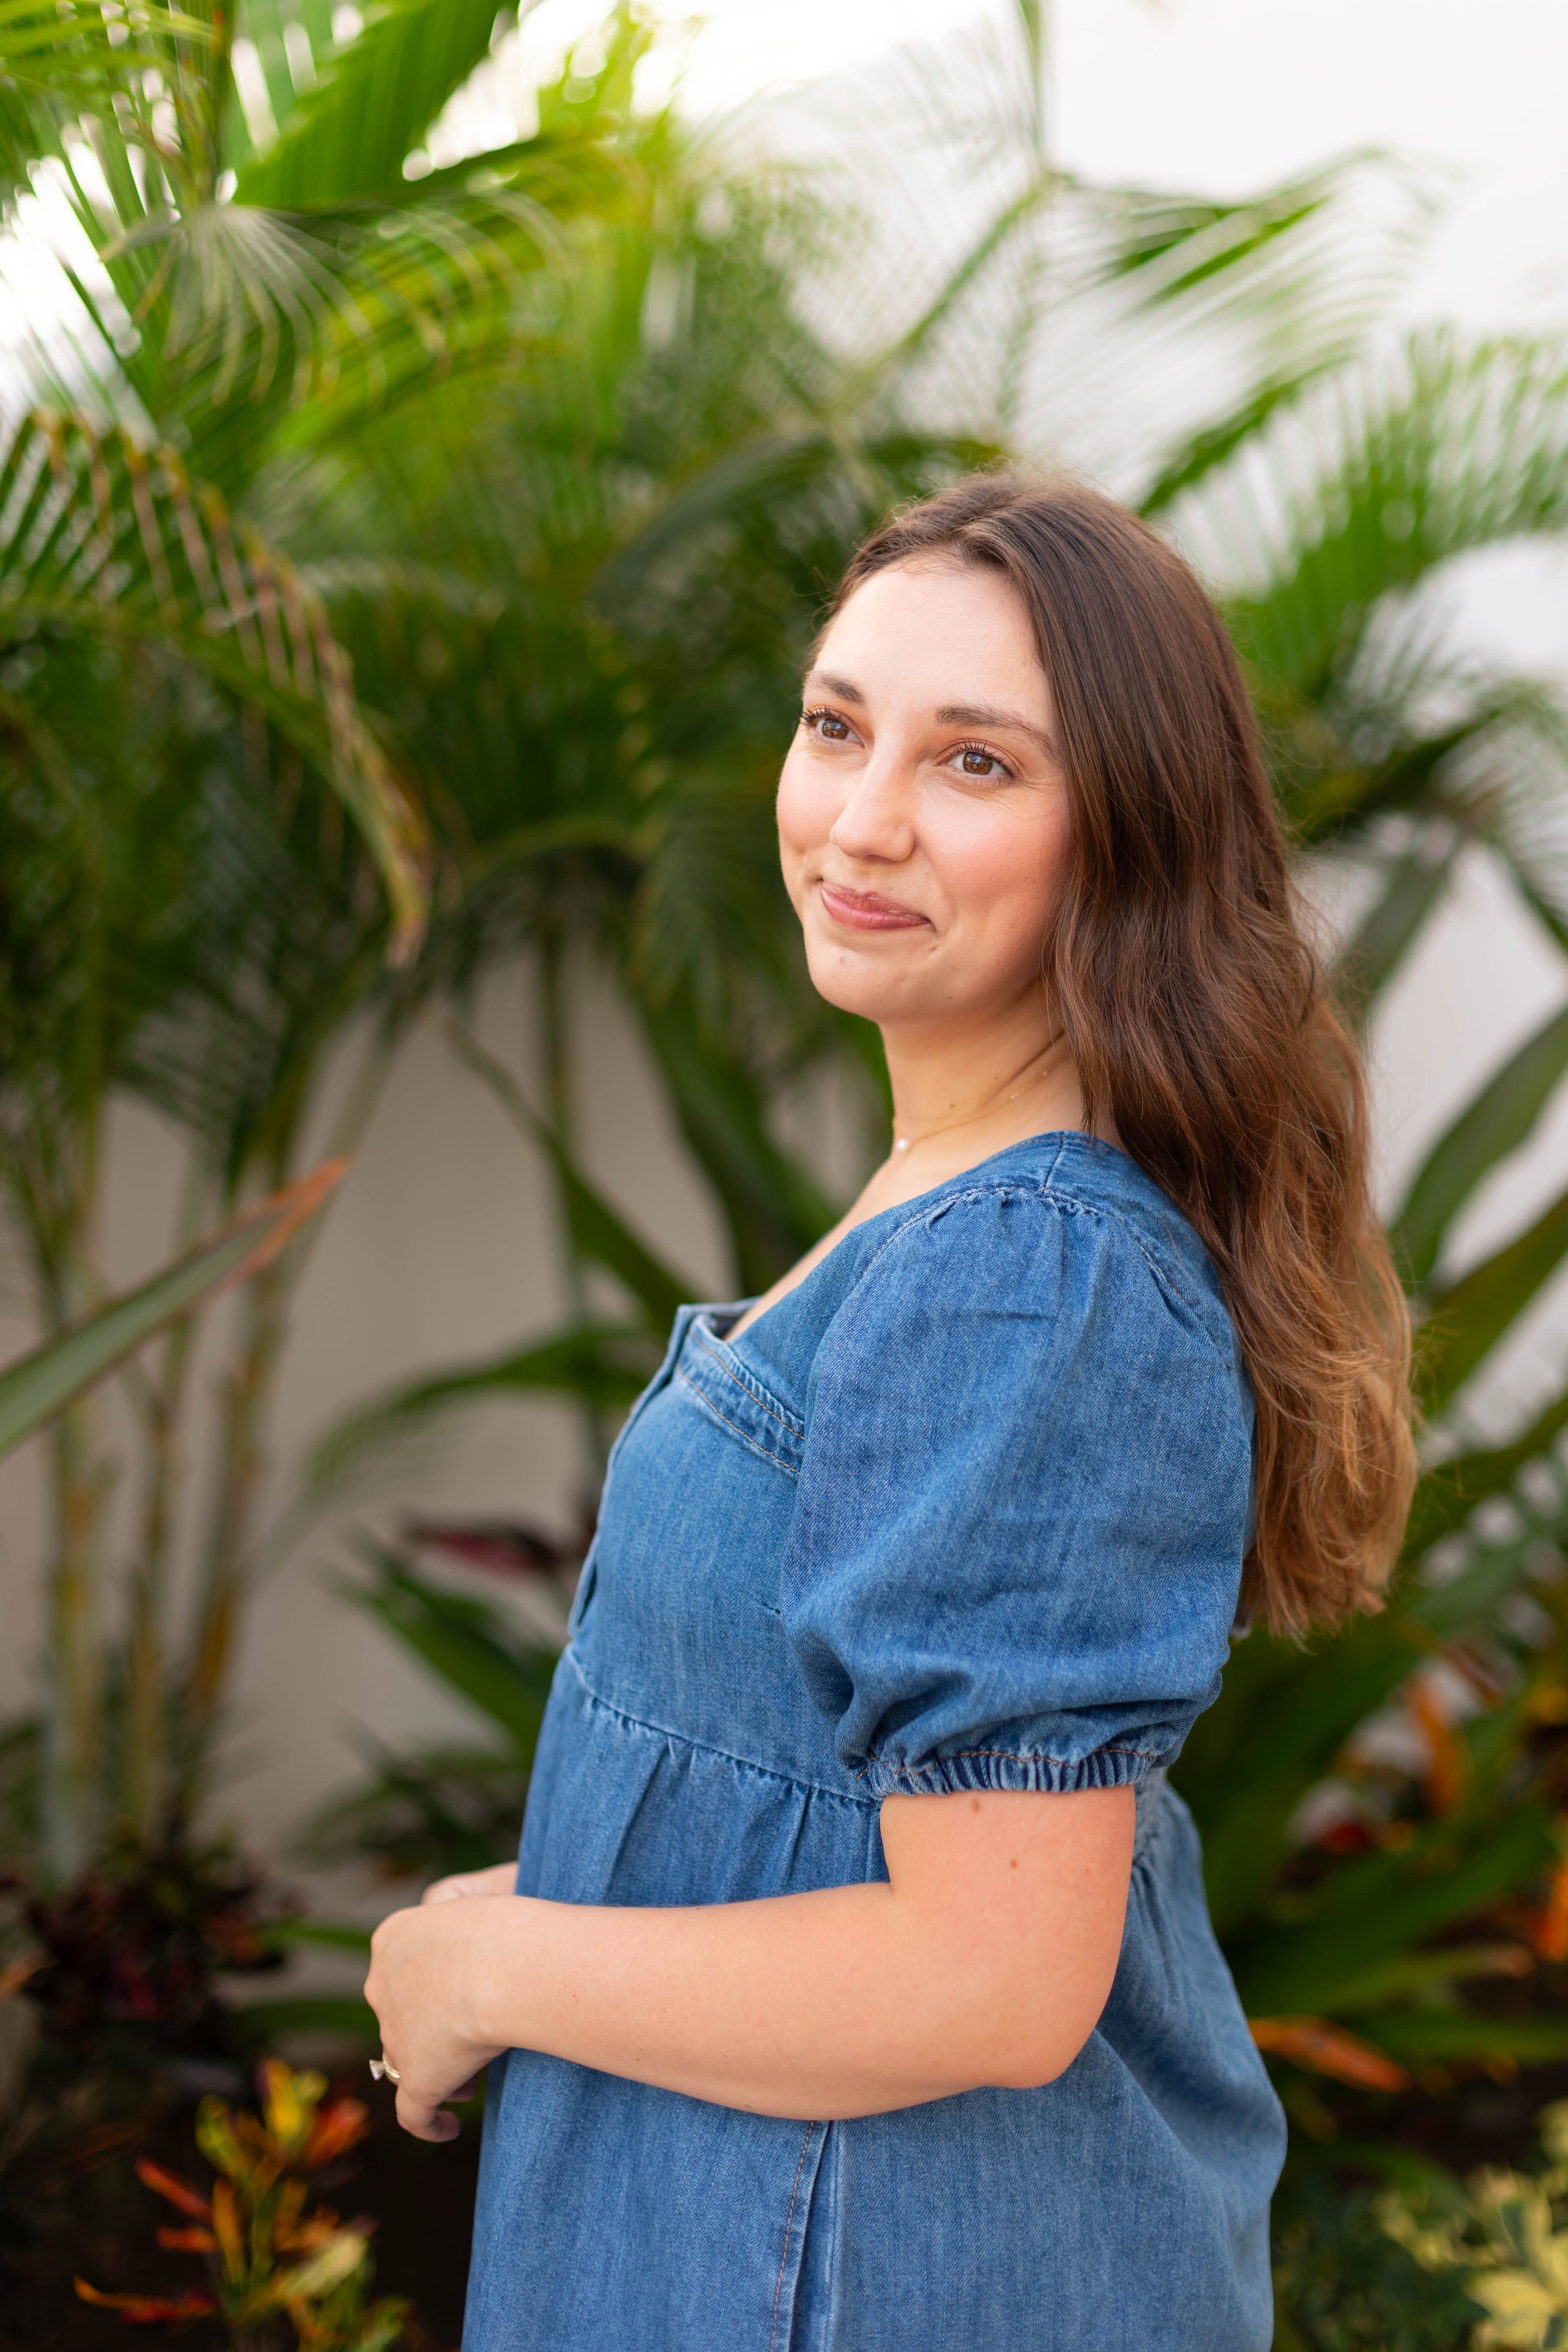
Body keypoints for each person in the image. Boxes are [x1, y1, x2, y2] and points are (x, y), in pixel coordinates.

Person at [364, 474, 1416, 2351]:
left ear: (1130, 834)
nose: (860, 818)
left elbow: (991, 1973)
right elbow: (845, 1801)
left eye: (976, 764)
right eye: (837, 723)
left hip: (873, 2268)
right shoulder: (961, 1190)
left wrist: (494, 1964)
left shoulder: (1025, 1264)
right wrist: (566, 1885)